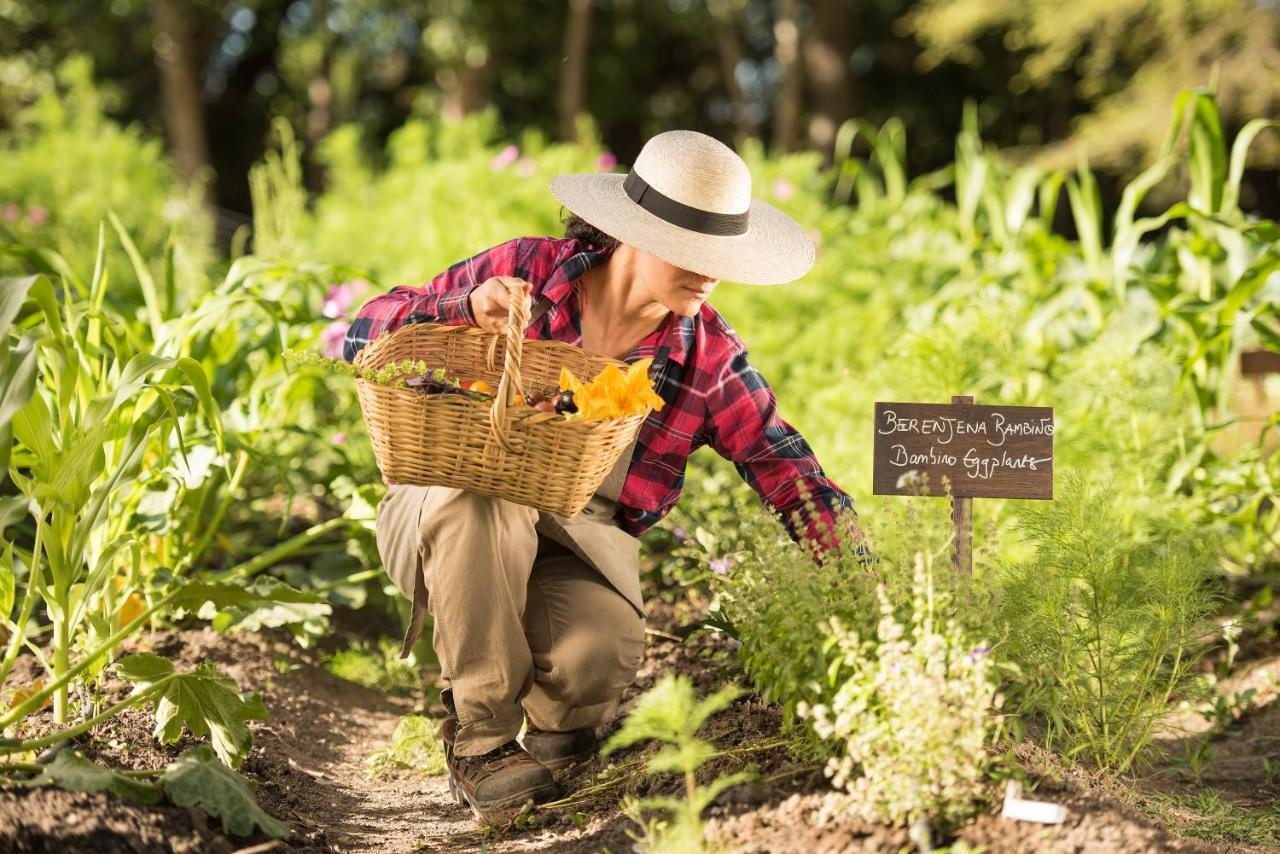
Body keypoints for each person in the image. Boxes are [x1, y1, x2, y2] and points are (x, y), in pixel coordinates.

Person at [342, 129, 864, 825]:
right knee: (487, 503)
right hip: (447, 503)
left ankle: (556, 725)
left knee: (598, 651)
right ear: (634, 232)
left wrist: (862, 584)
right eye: (691, 249)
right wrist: (464, 312)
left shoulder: (705, 353)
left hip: (578, 533)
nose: (710, 274)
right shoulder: (527, 275)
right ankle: (483, 741)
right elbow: (361, 334)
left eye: (721, 256)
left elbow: (784, 465)